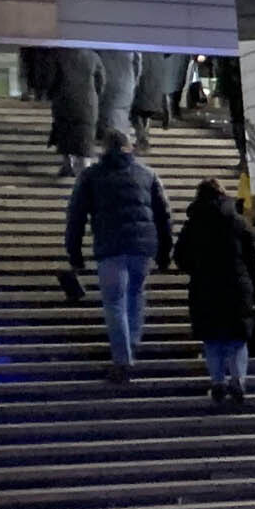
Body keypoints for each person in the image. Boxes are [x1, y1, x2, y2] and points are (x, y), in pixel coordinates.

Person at [64, 130, 172, 382]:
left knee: (114, 302)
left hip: (110, 248)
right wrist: (165, 251)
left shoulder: (91, 175)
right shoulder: (147, 174)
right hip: (142, 248)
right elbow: (163, 215)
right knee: (135, 296)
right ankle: (130, 346)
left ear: (104, 148)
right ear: (129, 147)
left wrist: (74, 252)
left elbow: (76, 216)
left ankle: (123, 361)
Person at [172, 179, 255, 408]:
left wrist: (197, 268)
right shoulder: (238, 222)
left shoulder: (193, 224)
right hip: (237, 286)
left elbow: (180, 257)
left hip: (205, 286)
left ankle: (218, 381)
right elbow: (251, 258)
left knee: (213, 340)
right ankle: (238, 379)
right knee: (237, 340)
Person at [47, 46, 101, 179]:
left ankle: (67, 164)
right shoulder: (93, 56)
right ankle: (85, 169)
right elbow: (101, 80)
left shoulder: (59, 55)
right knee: (85, 135)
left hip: (64, 101)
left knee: (64, 133)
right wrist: (95, 95)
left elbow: (51, 79)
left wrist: (52, 95)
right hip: (87, 103)